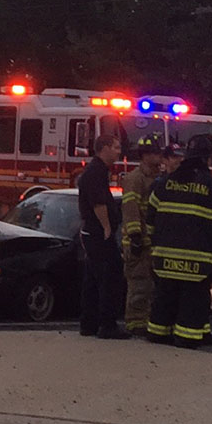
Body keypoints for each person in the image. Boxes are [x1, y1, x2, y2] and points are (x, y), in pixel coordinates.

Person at [145, 135, 212, 349]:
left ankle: (159, 332)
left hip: (164, 261)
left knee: (164, 301)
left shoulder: (166, 183)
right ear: (208, 158)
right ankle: (189, 335)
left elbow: (150, 219)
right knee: (194, 304)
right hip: (197, 264)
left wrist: (155, 245)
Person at [77, 134, 129, 339]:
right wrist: (107, 228)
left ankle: (88, 324)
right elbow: (99, 203)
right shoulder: (96, 172)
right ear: (104, 148)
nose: (119, 151)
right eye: (116, 147)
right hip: (99, 234)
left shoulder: (95, 170)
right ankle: (108, 325)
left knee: (92, 279)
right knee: (110, 277)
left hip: (92, 233)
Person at [121, 135, 164, 336]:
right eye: (153, 153)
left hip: (157, 243)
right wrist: (135, 236)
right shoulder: (134, 179)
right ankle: (136, 324)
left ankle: (148, 321)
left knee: (153, 288)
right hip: (139, 244)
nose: (157, 157)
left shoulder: (161, 179)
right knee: (139, 286)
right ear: (144, 155)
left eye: (158, 153)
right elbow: (131, 208)